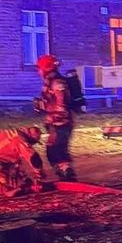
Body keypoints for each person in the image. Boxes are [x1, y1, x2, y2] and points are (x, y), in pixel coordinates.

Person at [34, 53, 77, 181]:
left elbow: (61, 105)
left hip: (61, 123)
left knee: (57, 149)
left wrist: (47, 109)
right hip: (55, 123)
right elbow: (51, 102)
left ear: (46, 69)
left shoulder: (57, 83)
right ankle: (64, 174)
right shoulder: (49, 82)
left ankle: (67, 174)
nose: (39, 71)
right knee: (53, 150)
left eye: (40, 68)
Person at [0, 124, 45, 198]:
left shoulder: (13, 133)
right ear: (31, 138)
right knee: (11, 185)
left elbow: (15, 159)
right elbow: (34, 158)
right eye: (34, 142)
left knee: (15, 174)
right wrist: (38, 174)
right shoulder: (22, 142)